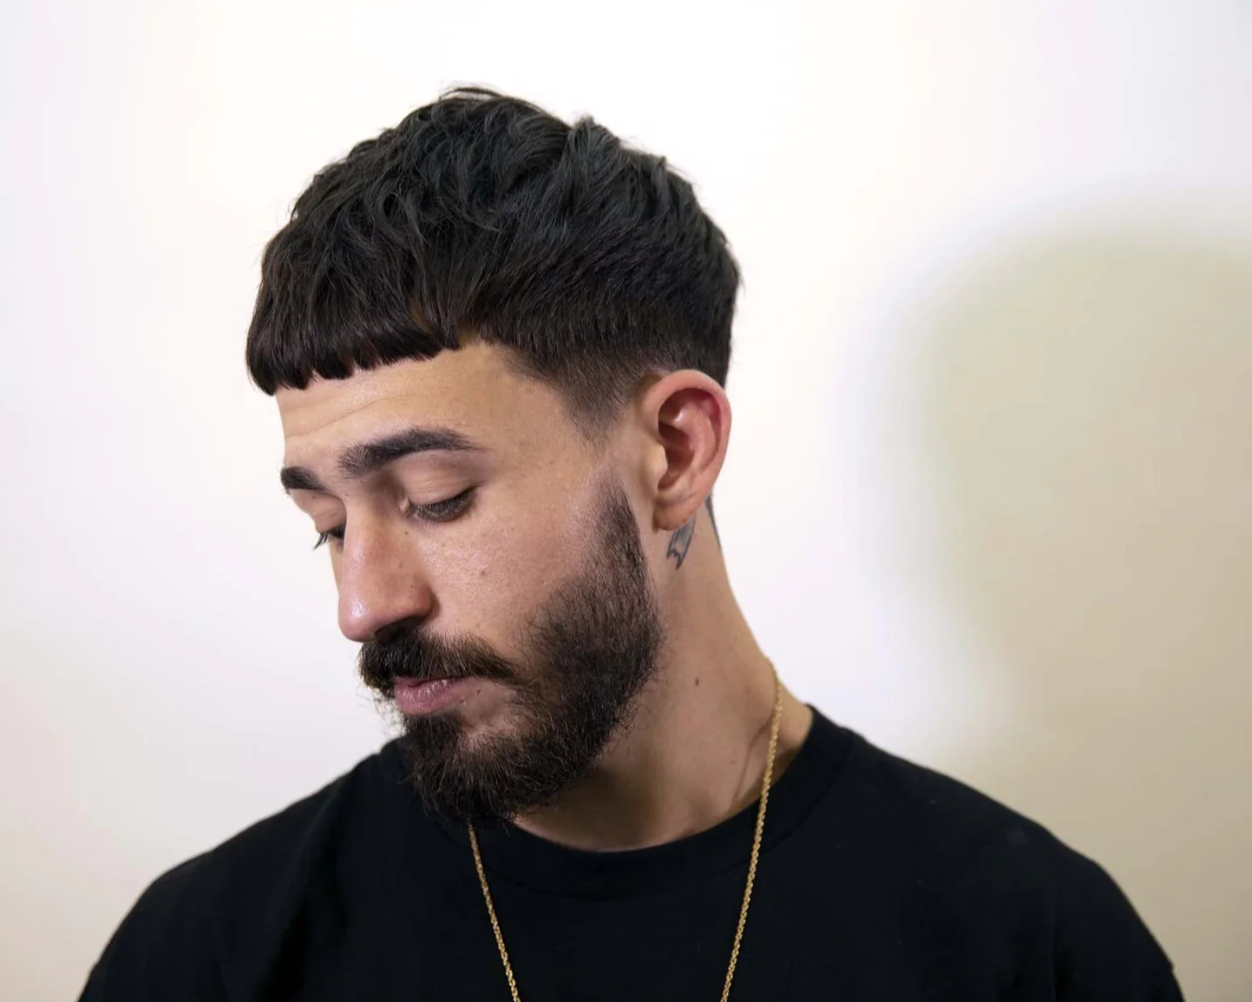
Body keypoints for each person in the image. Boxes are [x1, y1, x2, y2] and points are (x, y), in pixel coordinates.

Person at [78, 87, 1184, 1001]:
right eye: (325, 525)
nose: (362, 608)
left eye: (435, 497)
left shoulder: (1029, 945)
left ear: (673, 451)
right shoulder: (211, 957)